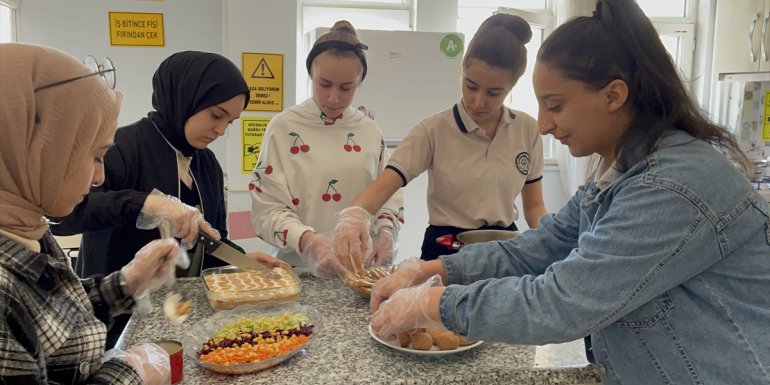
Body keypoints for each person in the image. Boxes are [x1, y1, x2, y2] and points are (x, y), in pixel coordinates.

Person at [368, 1, 770, 384]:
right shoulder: (620, 172)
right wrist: (432, 271)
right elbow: (545, 243)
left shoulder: (673, 186)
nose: (543, 125)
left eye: (555, 106)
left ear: (614, 95)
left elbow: (561, 302)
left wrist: (434, 304)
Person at [52, 50, 284, 347]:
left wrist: (237, 260)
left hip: (184, 314)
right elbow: (64, 217)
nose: (221, 130)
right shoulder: (122, 148)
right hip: (118, 315)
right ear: (184, 97)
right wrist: (146, 203)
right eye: (216, 115)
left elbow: (209, 237)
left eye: (230, 122)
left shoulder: (207, 164)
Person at [0, 43, 177, 384]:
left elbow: (54, 319)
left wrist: (126, 283)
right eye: (94, 156)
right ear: (39, 152)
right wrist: (130, 374)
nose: (99, 177)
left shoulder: (28, 226)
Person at [333, 13, 547, 265]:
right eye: (471, 86)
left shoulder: (527, 129)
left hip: (504, 248)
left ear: (512, 86)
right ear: (461, 71)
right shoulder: (434, 130)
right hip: (446, 247)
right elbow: (384, 185)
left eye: (493, 92)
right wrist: (356, 215)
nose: (478, 101)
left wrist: (553, 235)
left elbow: (533, 206)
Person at [250, 20, 404, 276]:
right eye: (324, 84)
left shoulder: (368, 130)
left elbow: (388, 194)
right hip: (297, 270)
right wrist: (308, 241)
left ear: (360, 82)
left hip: (360, 271)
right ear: (311, 74)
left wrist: (387, 231)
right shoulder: (284, 127)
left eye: (346, 88)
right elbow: (267, 208)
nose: (334, 98)